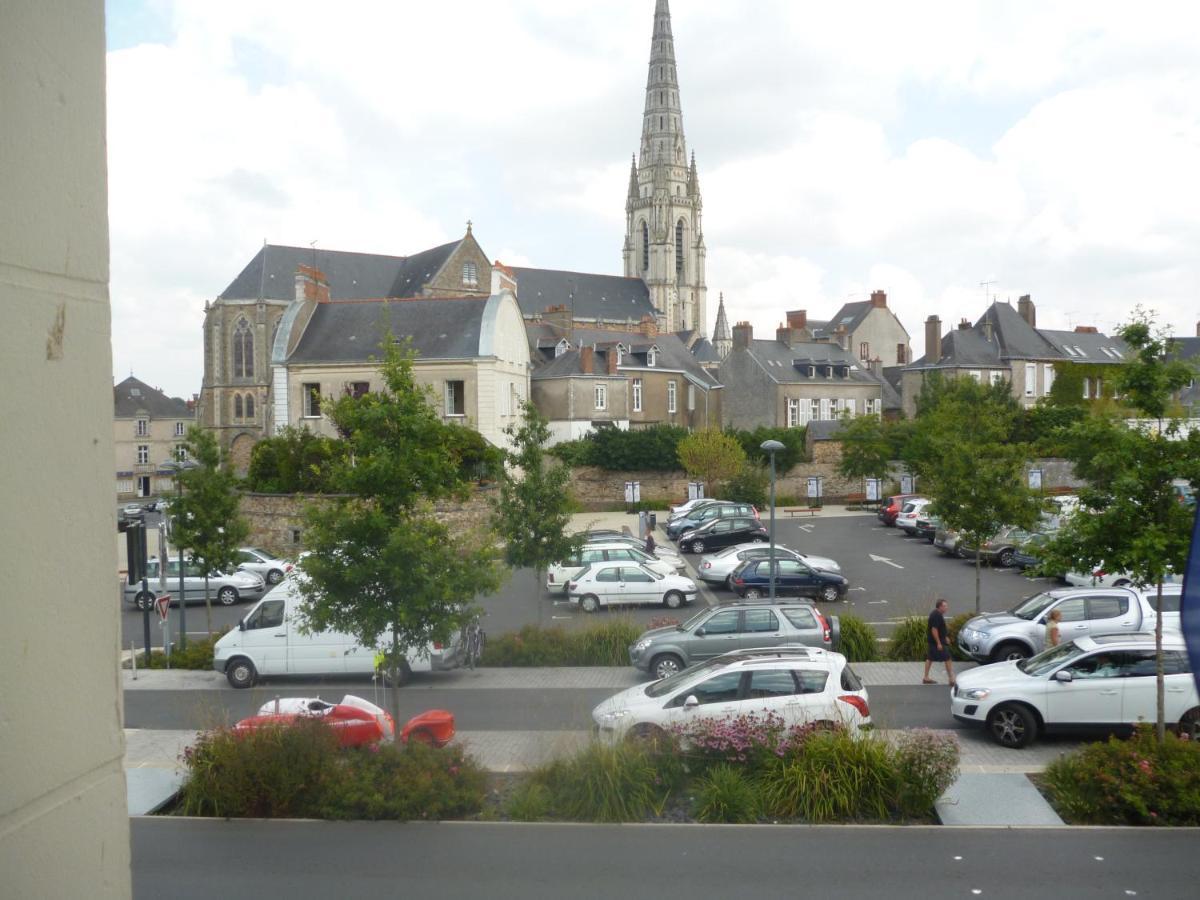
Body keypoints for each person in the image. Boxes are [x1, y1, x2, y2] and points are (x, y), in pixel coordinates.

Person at [922, 598, 955, 687]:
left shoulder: (937, 614)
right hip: (936, 642)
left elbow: (940, 629)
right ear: (940, 607)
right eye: (945, 606)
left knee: (930, 658)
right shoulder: (936, 615)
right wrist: (939, 643)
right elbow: (934, 629)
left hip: (935, 641)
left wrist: (945, 636)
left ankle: (926, 678)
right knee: (947, 658)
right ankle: (951, 679)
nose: (947, 608)